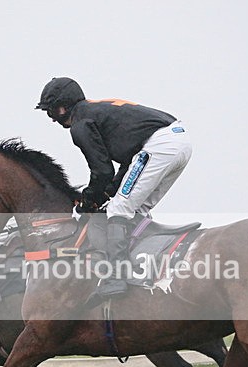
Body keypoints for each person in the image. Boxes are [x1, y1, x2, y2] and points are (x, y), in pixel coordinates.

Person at [36, 77, 192, 301]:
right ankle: (145, 266)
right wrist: (108, 191)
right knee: (136, 207)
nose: (52, 119)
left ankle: (116, 277)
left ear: (63, 107)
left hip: (160, 145)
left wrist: (90, 199)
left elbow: (102, 171)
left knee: (119, 208)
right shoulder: (94, 111)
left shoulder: (80, 124)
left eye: (51, 112)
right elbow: (128, 163)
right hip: (179, 141)